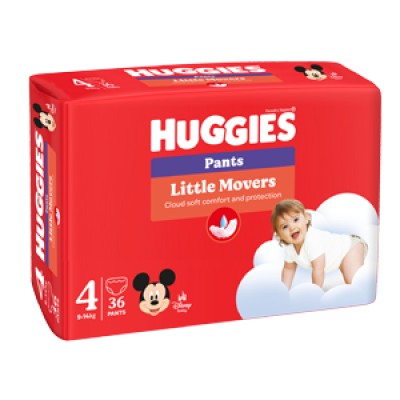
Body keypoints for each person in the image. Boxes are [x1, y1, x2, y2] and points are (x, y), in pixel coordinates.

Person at [271, 199, 367, 289]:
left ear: (306, 218)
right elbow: (289, 269)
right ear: (278, 235)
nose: (292, 227)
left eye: (296, 220)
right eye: (285, 227)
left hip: (350, 248)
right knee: (347, 274)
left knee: (353, 283)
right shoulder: (289, 248)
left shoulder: (312, 240)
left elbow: (318, 270)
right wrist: (284, 291)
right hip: (338, 257)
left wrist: (315, 292)